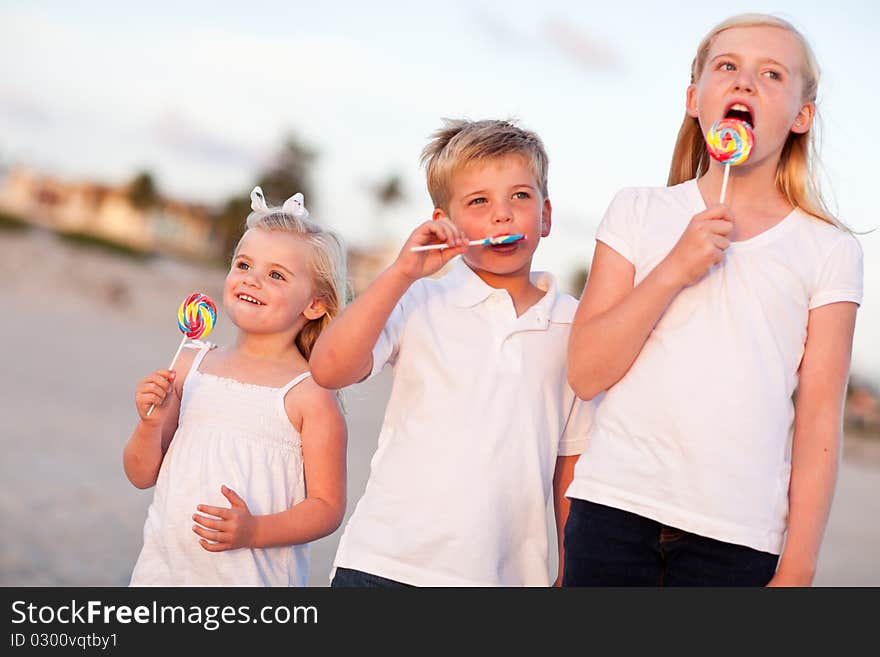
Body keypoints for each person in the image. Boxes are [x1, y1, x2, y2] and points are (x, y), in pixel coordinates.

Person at [564, 13, 863, 586]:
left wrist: (798, 564)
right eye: (727, 67)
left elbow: (820, 420)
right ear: (694, 98)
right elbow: (585, 372)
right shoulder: (637, 211)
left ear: (802, 116)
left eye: (772, 74)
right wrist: (674, 268)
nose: (745, 82)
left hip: (739, 539)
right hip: (612, 511)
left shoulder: (829, 250)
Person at [309, 119, 592, 587]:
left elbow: (572, 461)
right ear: (445, 222)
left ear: (545, 215)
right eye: (479, 201)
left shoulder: (574, 325)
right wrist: (402, 272)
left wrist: (569, 569)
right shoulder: (419, 299)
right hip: (382, 564)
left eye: (519, 197)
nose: (502, 215)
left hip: (500, 578)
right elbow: (328, 368)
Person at [124, 187, 348, 586]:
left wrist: (254, 531)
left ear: (315, 304)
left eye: (276, 275)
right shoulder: (191, 364)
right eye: (243, 265)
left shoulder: (309, 395)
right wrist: (148, 424)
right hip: (163, 574)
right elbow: (141, 474)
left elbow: (327, 507)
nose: (252, 280)